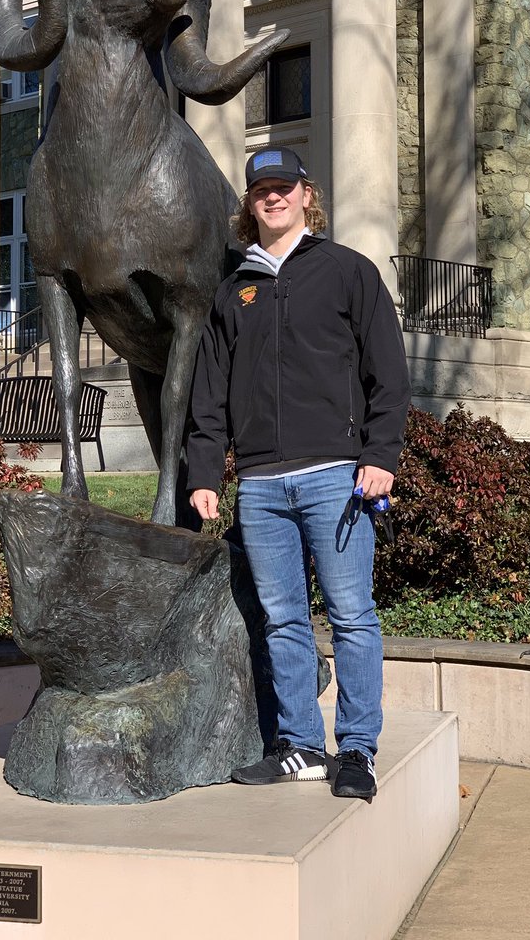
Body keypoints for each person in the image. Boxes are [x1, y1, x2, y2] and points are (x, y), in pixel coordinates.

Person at [187, 146, 411, 799]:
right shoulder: (235, 291)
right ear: (250, 204)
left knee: (352, 616)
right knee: (283, 620)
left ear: (307, 196)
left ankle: (358, 750)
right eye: (263, 190)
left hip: (336, 477)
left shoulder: (347, 272)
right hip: (260, 485)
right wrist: (206, 472)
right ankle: (302, 747)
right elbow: (209, 393)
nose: (274, 197)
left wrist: (380, 456)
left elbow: (388, 374)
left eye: (285, 187)